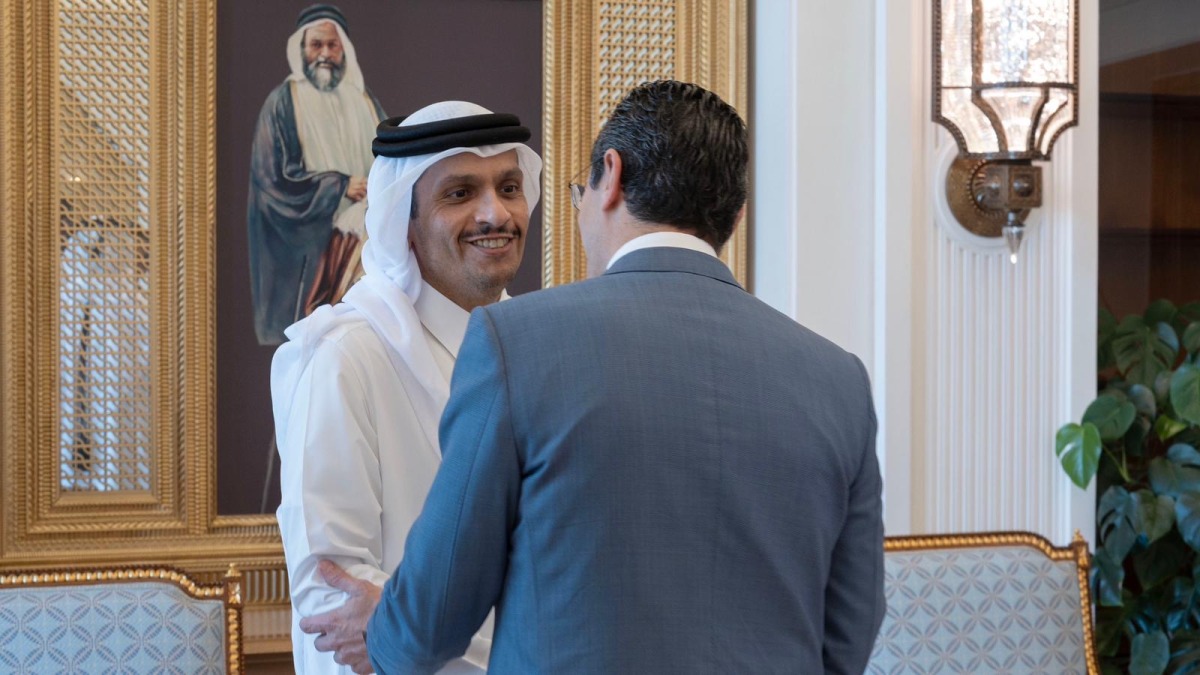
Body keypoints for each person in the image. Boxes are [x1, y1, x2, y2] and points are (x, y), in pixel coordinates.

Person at [306, 80, 885, 674]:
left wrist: (384, 631)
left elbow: (434, 619)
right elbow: (849, 634)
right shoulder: (839, 381)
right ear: (736, 214)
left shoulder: (518, 343)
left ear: (610, 175)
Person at [270, 101, 541, 674]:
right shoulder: (348, 357)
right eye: (460, 193)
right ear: (404, 222)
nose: (496, 214)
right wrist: (514, 661)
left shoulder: (537, 350)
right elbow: (334, 598)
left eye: (509, 188)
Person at [247, 4, 386, 346]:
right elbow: (272, 183)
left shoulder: (365, 101)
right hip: (311, 247)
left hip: (364, 241)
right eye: (316, 45)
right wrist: (339, 186)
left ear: (344, 50)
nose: (324, 54)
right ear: (301, 49)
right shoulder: (282, 102)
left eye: (332, 45)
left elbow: (392, 161)